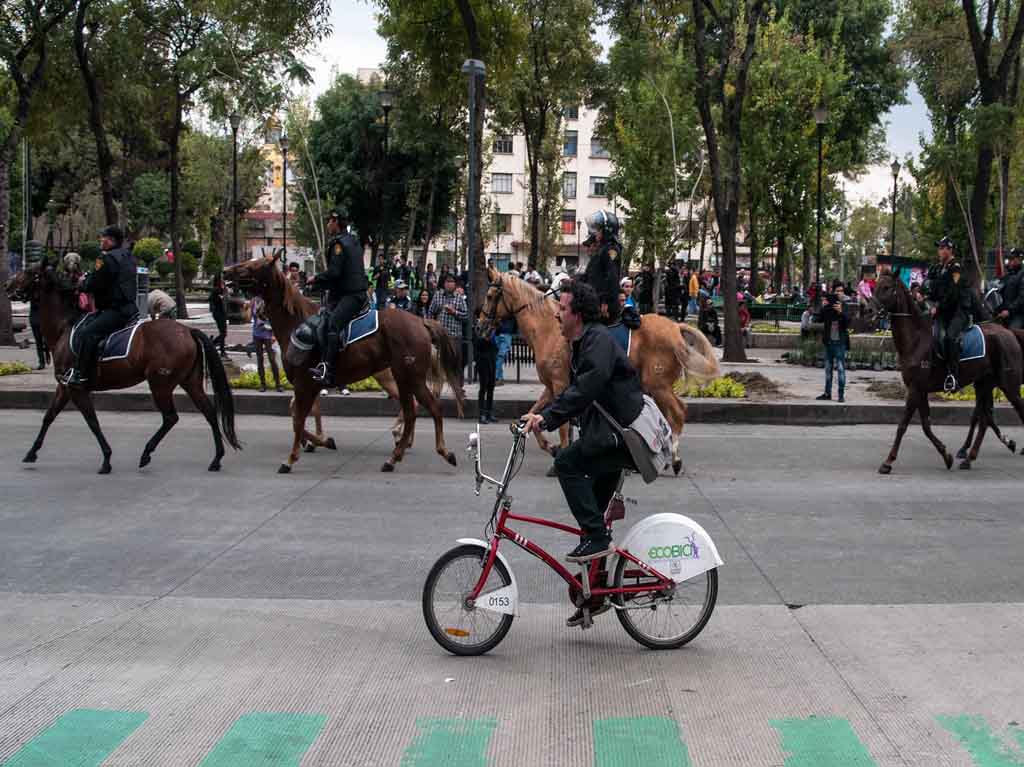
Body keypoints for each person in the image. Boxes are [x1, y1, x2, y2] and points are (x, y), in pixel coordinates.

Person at [522, 280, 643, 626]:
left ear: (577, 313)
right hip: (607, 435)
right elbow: (574, 390)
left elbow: (588, 387)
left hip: (621, 438)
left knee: (566, 463)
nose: (557, 313)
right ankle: (595, 594)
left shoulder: (598, 341)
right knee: (591, 512)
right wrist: (539, 413)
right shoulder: (584, 341)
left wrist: (546, 419)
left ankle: (597, 539)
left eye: (562, 307)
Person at [63, 225, 138, 386]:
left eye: (103, 237)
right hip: (130, 308)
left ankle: (79, 374)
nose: (100, 240)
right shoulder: (128, 256)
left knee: (86, 333)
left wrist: (82, 284)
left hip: (115, 311)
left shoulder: (105, 258)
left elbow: (94, 283)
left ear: (110, 240)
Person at [308, 209, 370, 387]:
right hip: (349, 293)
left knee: (333, 324)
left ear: (335, 222)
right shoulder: (352, 240)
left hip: (351, 295)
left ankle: (327, 369)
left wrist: (316, 279)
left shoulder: (339, 244)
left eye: (329, 221)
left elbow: (335, 273)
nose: (327, 225)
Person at [925, 236, 972, 391]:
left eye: (942, 248)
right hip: (943, 311)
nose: (939, 251)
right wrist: (924, 296)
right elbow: (932, 288)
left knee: (950, 338)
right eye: (939, 248)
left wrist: (937, 307)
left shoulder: (955, 268)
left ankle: (954, 376)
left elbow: (953, 293)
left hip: (958, 311)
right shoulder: (938, 268)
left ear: (949, 250)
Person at [581, 210, 622, 323]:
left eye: (598, 229)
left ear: (607, 231)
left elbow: (612, 277)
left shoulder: (611, 250)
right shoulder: (600, 250)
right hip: (595, 301)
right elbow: (589, 276)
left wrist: (605, 302)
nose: (595, 233)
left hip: (604, 306)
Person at [429, 273, 468, 383]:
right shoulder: (438, 296)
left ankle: (459, 387)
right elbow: (431, 311)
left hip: (455, 335)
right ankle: (438, 385)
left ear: (455, 284)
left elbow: (466, 316)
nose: (449, 284)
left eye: (452, 282)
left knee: (456, 362)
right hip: (440, 335)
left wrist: (454, 312)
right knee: (439, 362)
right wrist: (433, 324)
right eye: (447, 282)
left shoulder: (459, 298)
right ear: (444, 284)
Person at [816, 283, 849, 402]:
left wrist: (841, 312)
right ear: (833, 292)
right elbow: (819, 319)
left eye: (841, 291)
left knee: (840, 369)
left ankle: (841, 395)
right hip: (829, 342)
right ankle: (827, 393)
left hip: (839, 343)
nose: (839, 293)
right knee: (828, 369)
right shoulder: (828, 307)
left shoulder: (845, 306)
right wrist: (823, 307)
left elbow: (848, 323)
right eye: (837, 291)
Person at [252, 296, 283, 392]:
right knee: (259, 359)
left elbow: (275, 318)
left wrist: (274, 334)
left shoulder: (268, 300)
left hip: (268, 334)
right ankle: (262, 384)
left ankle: (278, 384)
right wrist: (246, 308)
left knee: (272, 359)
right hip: (256, 333)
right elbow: (249, 317)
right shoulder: (253, 301)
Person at [474, 308, 499, 424]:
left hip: (492, 358)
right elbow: (480, 342)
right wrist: (488, 333)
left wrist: (493, 328)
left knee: (491, 386)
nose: (487, 317)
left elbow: (494, 340)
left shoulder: (491, 326)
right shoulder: (477, 327)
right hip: (483, 359)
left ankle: (489, 412)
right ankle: (481, 414)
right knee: (483, 387)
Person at [998, 248, 1024, 329]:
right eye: (1009, 259)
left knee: (1012, 333)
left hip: (1019, 314)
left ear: (1020, 259)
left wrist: (1009, 311)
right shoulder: (1009, 275)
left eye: (1012, 259)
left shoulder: (1022, 275)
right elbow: (1003, 295)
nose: (1009, 261)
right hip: (1006, 313)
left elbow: (1022, 298)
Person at [208, 273, 229, 358]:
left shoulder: (221, 288)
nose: (223, 279)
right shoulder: (216, 289)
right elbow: (210, 299)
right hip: (218, 313)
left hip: (221, 313)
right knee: (223, 333)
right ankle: (218, 348)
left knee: (223, 333)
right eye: (222, 278)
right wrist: (219, 298)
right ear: (219, 280)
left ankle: (217, 347)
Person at [29, 290, 48, 370]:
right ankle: (41, 362)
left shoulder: (44, 294)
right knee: (38, 342)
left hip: (43, 319)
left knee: (45, 341)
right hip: (34, 319)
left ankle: (46, 355)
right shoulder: (31, 293)